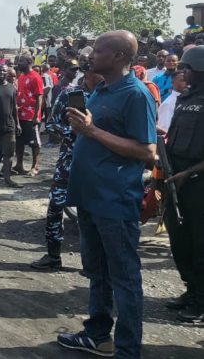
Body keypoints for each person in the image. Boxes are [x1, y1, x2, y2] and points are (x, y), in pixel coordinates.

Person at [57, 30, 156, 358]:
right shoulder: (100, 89)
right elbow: (94, 134)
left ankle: (128, 350)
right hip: (89, 196)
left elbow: (147, 151)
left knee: (124, 277)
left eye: (98, 51)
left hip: (114, 200)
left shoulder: (136, 94)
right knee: (97, 272)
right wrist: (83, 128)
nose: (91, 55)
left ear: (118, 57)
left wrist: (92, 131)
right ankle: (97, 335)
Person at [31, 58, 103, 270]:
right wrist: (71, 132)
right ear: (88, 74)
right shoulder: (72, 94)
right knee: (55, 207)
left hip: (97, 164)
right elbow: (51, 124)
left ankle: (92, 263)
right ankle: (53, 255)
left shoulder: (108, 95)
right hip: (68, 161)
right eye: (97, 73)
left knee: (92, 212)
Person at [164, 45, 204, 324]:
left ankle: (201, 301)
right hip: (177, 181)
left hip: (198, 183)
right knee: (180, 241)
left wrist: (189, 172)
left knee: (200, 244)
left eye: (187, 68)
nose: (183, 73)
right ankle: (192, 290)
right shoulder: (184, 98)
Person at [14, 54, 44, 176]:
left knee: (34, 143)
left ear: (29, 62)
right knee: (19, 142)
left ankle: (35, 166)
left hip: (31, 115)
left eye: (21, 61)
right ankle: (19, 165)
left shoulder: (35, 77)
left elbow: (39, 97)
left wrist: (36, 116)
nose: (18, 63)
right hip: (20, 115)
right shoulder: (21, 76)